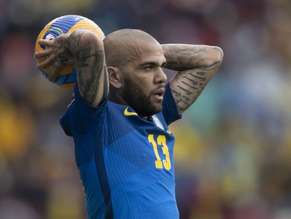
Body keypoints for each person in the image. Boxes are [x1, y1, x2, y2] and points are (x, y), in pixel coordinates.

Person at [35, 28, 223, 219]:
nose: (162, 77)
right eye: (148, 68)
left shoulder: (157, 114)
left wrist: (143, 51)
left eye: (161, 66)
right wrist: (68, 43)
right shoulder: (97, 119)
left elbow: (211, 57)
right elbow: (87, 41)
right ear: (114, 77)